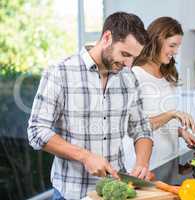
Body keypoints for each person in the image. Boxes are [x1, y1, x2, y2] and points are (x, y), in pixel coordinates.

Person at [27, 12, 154, 199]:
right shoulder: (61, 72)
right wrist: (85, 156)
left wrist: (142, 164)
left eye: (133, 58)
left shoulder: (128, 78)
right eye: (125, 54)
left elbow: (141, 128)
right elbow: (37, 131)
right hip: (72, 193)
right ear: (107, 38)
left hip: (116, 191)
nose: (128, 64)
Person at [123, 17, 195, 171]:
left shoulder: (167, 74)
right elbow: (133, 126)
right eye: (172, 45)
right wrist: (172, 114)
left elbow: (162, 121)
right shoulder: (135, 76)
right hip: (145, 167)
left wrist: (180, 132)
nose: (176, 52)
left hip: (169, 161)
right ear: (156, 41)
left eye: (178, 46)